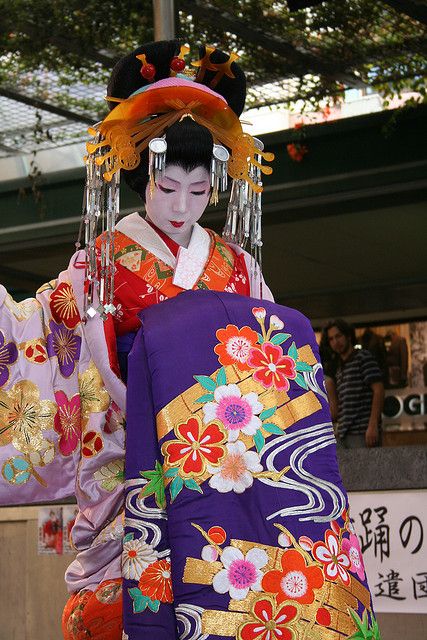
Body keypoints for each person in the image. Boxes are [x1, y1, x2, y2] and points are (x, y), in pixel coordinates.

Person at [0, 41, 380, 640]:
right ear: (138, 176)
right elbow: (39, 343)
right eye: (166, 187)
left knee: (240, 598)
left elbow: (276, 374)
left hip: (225, 467)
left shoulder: (238, 267)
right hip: (131, 462)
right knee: (118, 611)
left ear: (215, 188)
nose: (181, 207)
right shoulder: (102, 265)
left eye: (199, 191)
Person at [323, 319, 384, 448]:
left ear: (348, 336)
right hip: (345, 433)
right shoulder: (340, 368)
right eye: (331, 339)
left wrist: (373, 425)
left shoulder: (363, 357)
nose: (335, 342)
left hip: (363, 432)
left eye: (338, 336)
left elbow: (378, 390)